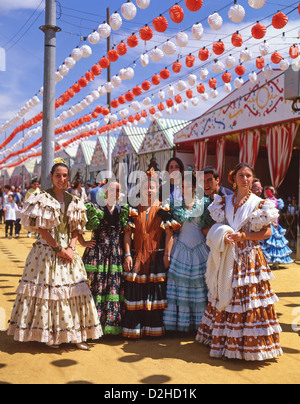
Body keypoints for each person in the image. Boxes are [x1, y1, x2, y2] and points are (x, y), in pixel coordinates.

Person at [7, 159, 103, 350]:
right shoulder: (41, 197)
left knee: (74, 292)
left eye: (65, 175)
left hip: (68, 250)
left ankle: (76, 335)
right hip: (47, 251)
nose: (62, 179)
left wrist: (71, 249)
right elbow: (42, 229)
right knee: (49, 293)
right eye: (58, 175)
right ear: (51, 176)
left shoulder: (74, 200)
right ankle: (51, 334)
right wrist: (59, 249)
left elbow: (75, 229)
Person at [196, 163, 283, 361]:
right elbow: (218, 225)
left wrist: (244, 236)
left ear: (253, 179)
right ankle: (225, 342)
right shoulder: (223, 201)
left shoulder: (260, 203)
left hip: (249, 258)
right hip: (228, 254)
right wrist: (223, 235)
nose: (245, 179)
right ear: (234, 179)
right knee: (226, 294)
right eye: (241, 175)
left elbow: (267, 232)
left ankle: (249, 345)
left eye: (248, 176)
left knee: (248, 301)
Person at [122, 170, 180, 339]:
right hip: (137, 258)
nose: (149, 190)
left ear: (157, 189)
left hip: (156, 258)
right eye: (146, 187)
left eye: (152, 187)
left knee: (154, 294)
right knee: (136, 292)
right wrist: (127, 255)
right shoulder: (134, 208)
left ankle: (152, 330)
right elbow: (127, 234)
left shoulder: (163, 208)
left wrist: (167, 255)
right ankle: (135, 330)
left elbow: (170, 234)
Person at [163, 173, 213, 332]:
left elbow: (207, 228)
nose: (185, 188)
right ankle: (182, 325)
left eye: (188, 185)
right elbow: (169, 231)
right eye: (182, 186)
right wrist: (167, 253)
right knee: (181, 287)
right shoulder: (174, 204)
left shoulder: (204, 203)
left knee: (200, 286)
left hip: (200, 251)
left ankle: (200, 325)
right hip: (181, 250)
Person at [79, 180, 128, 336]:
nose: (115, 193)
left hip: (115, 255)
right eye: (112, 190)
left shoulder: (123, 210)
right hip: (97, 254)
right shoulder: (94, 208)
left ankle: (110, 326)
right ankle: (91, 326)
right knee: (96, 287)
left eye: (118, 190)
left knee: (113, 287)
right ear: (105, 192)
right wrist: (83, 242)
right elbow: (76, 224)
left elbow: (127, 234)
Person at [261, 187, 293, 267]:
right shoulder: (274, 200)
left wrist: (273, 223)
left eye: (265, 191)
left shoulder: (269, 201)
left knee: (273, 243)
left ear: (268, 192)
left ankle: (274, 262)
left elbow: (271, 213)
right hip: (274, 223)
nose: (264, 193)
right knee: (275, 243)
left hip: (272, 223)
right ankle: (274, 262)